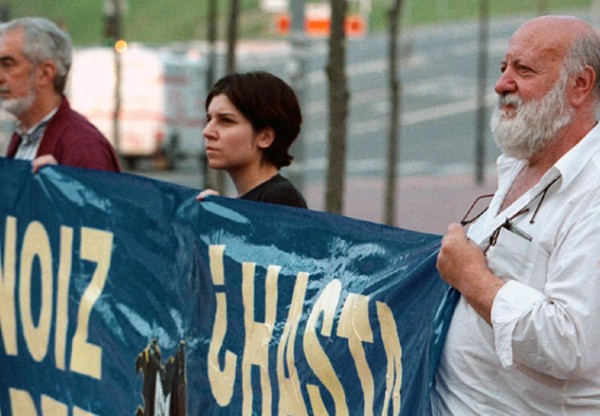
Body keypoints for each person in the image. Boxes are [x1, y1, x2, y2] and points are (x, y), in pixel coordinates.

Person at [432, 15, 600, 415]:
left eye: (523, 70)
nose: (502, 84)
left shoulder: (592, 193)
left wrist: (473, 278)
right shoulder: (521, 162)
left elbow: (570, 342)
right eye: (503, 68)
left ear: (580, 85)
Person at [0, 17, 120, 172]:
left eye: (8, 64)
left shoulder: (82, 146)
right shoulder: (23, 136)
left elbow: (95, 196)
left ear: (45, 73)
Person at [196, 71, 307, 208]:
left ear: (265, 137)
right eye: (209, 119)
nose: (207, 131)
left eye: (226, 120)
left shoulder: (279, 199)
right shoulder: (257, 200)